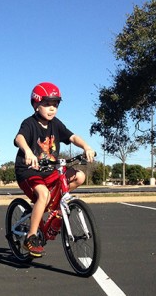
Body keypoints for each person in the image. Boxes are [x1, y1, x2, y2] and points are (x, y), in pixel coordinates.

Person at [14, 82, 95, 257]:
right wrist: (28, 151)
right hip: (29, 171)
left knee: (79, 176)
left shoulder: (56, 124)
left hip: (50, 170)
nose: (52, 109)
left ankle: (54, 205)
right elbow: (19, 138)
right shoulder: (29, 124)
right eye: (47, 104)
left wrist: (86, 147)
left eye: (55, 104)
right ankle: (31, 236)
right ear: (36, 105)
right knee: (43, 194)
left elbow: (72, 137)